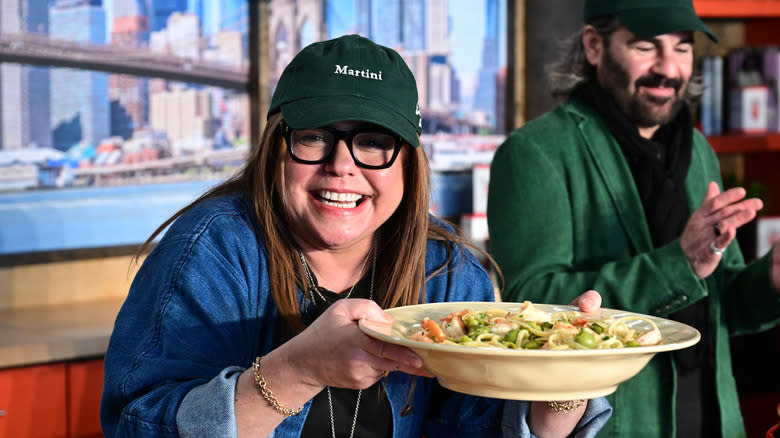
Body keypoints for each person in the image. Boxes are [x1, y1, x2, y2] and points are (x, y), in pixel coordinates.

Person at [100, 34, 612, 437]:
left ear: (408, 164)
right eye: (315, 137)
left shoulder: (448, 271)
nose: (341, 166)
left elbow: (477, 427)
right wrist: (296, 370)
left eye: (373, 143)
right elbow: (136, 426)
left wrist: (562, 383)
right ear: (276, 147)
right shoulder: (212, 249)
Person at [486, 1, 780, 437]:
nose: (669, 67)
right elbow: (529, 305)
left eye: (682, 48)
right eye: (646, 46)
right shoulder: (535, 153)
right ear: (594, 46)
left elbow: (723, 303)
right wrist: (679, 264)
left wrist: (770, 282)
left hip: (716, 421)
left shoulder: (697, 150)